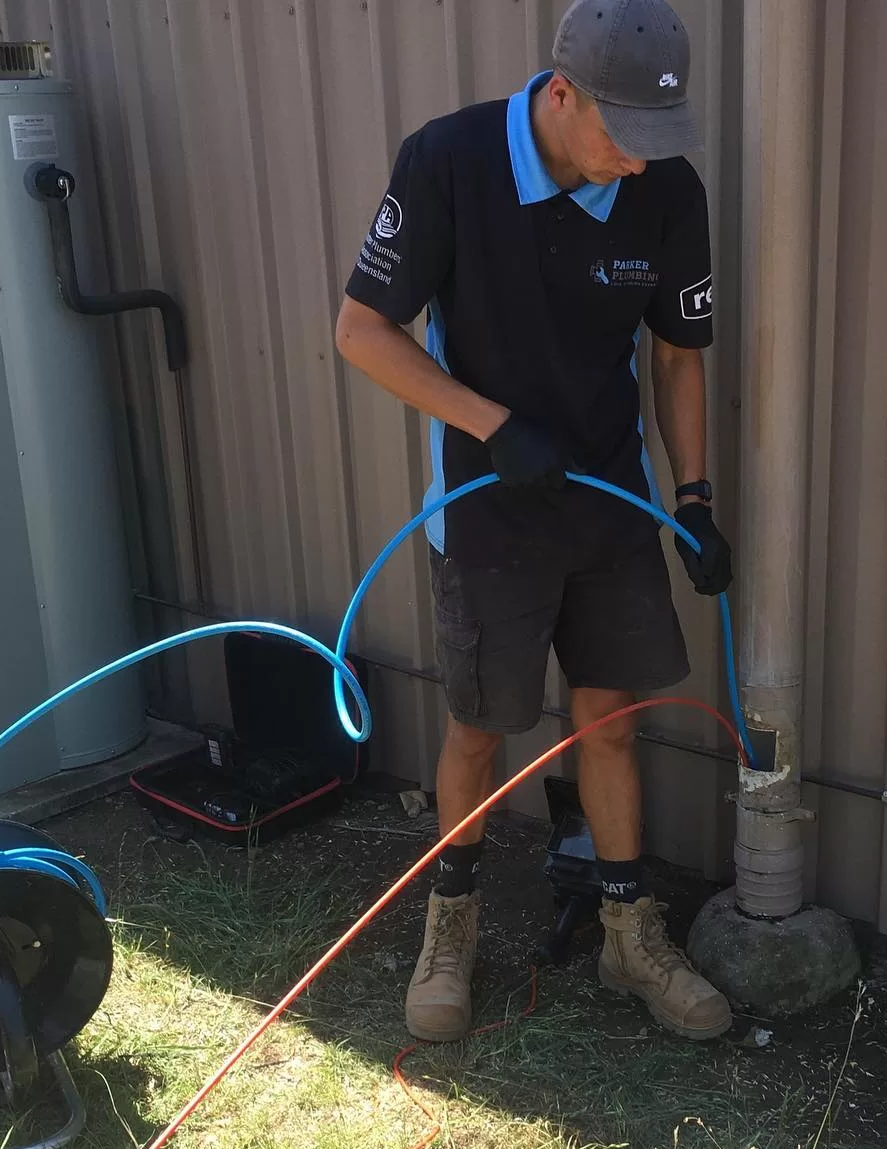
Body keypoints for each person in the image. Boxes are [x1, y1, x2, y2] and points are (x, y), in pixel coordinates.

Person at [335, 0, 733, 1045]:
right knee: (480, 726)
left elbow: (678, 356)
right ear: (562, 94)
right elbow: (363, 330)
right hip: (487, 507)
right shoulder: (449, 161)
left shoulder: (666, 191)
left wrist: (693, 498)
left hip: (609, 504)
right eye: (621, 136)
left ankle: (628, 935)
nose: (637, 162)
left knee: (610, 720)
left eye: (656, 140)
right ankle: (450, 924)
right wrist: (491, 424)